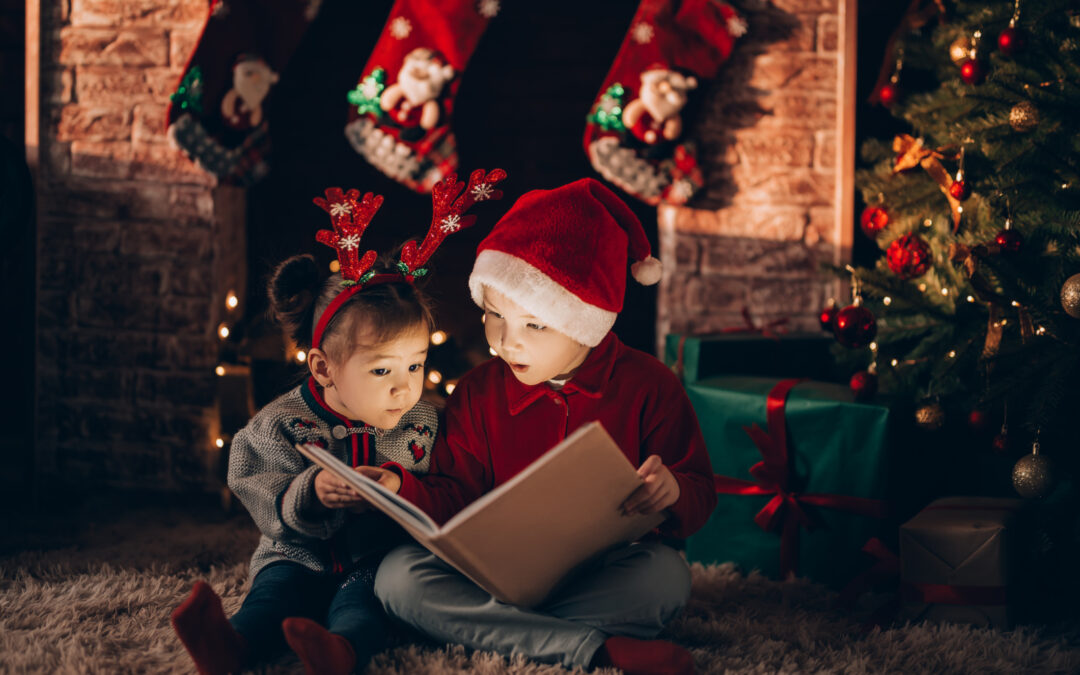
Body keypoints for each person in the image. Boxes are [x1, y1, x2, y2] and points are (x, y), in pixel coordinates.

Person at [370, 178, 716, 675]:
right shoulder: (477, 391)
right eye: (493, 315)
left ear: (587, 322)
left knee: (666, 578)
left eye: (535, 325)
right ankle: (593, 649)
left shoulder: (651, 386)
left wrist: (672, 492)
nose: (507, 342)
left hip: (599, 573)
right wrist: (402, 487)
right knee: (397, 578)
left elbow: (700, 495)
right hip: (492, 576)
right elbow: (453, 496)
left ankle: (496, 631)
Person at [170, 174, 505, 675]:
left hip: (375, 561)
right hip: (297, 555)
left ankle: (339, 651)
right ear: (324, 368)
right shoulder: (282, 423)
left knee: (363, 609)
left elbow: (443, 490)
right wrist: (307, 491)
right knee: (272, 597)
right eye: (381, 370)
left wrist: (405, 487)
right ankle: (230, 644)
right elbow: (252, 480)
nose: (403, 387)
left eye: (414, 365)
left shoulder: (422, 423)